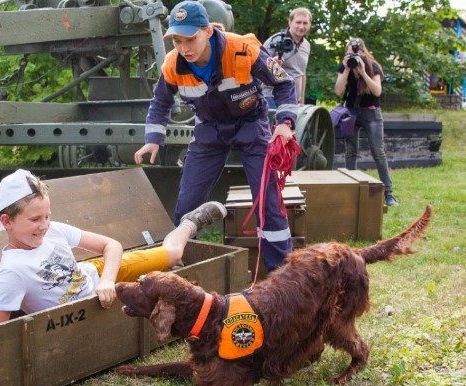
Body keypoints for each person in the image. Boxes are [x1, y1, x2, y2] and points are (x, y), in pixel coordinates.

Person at [135, 1, 298, 274]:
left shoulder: (244, 50)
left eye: (190, 39)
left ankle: (283, 275)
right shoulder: (173, 64)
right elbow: (161, 102)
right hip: (209, 131)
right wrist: (153, 137)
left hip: (250, 126)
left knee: (268, 202)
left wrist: (285, 124)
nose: (184, 48)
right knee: (186, 204)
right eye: (177, 40)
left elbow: (284, 83)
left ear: (208, 31)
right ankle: (182, 270)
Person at [0, 169, 227, 325]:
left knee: (174, 254)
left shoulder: (55, 230)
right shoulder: (12, 272)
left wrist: (107, 280)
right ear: (7, 221)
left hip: (99, 274)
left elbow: (111, 245)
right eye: (35, 219)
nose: (44, 225)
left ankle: (188, 224)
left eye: (47, 216)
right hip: (88, 304)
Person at [334, 38, 398, 207]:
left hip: (371, 112)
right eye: (350, 53)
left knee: (378, 151)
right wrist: (347, 69)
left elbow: (377, 91)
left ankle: (389, 193)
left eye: (357, 52)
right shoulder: (345, 66)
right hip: (351, 112)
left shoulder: (373, 66)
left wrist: (363, 72)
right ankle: (351, 189)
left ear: (364, 52)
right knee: (350, 152)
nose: (354, 56)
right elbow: (338, 91)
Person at [262, 7, 313, 107]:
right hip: (272, 97)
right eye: (298, 22)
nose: (301, 26)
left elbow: (302, 73)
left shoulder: (306, 45)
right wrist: (272, 64)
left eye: (305, 23)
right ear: (290, 22)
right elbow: (258, 65)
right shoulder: (274, 40)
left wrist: (301, 99)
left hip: (294, 99)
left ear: (310, 25)